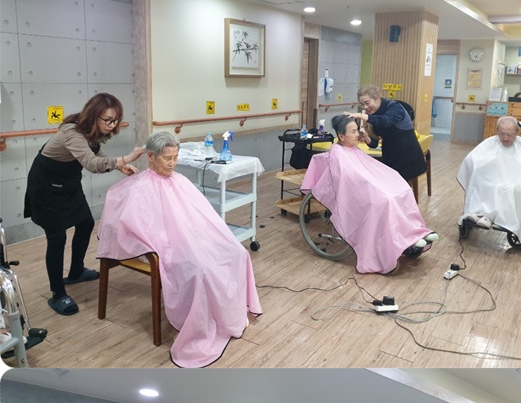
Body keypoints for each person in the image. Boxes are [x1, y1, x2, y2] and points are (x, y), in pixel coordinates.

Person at [96, 131, 261, 367]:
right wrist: (162, 244)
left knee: (237, 252)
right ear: (150, 156)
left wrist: (205, 238)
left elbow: (199, 217)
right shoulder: (138, 188)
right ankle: (201, 325)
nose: (172, 163)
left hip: (189, 238)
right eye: (167, 158)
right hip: (164, 247)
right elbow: (129, 227)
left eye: (175, 157)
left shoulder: (180, 181)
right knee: (200, 270)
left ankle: (228, 315)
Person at [24, 93, 145, 316]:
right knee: (57, 237)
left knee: (86, 222)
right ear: (93, 115)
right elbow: (91, 163)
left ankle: (76, 272)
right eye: (107, 120)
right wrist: (126, 158)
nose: (112, 125)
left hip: (68, 184)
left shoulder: (92, 131)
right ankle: (58, 293)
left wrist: (119, 166)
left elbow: (95, 151)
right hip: (45, 187)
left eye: (116, 120)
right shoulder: (72, 131)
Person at [301, 115, 437, 272]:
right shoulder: (338, 153)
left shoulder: (353, 149)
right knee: (387, 200)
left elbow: (368, 170)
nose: (357, 134)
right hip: (358, 191)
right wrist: (373, 184)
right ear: (341, 136)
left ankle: (412, 235)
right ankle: (399, 243)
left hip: (367, 186)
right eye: (353, 131)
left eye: (357, 130)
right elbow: (349, 177)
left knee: (403, 190)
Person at [456, 116, 521, 250]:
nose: (505, 138)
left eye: (509, 135)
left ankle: (510, 221)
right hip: (490, 178)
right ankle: (479, 214)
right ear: (497, 132)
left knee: (514, 189)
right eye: (502, 134)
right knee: (482, 183)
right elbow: (471, 159)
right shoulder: (489, 144)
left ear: (517, 132)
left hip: (515, 180)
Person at [357, 84, 428, 187]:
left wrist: (361, 115)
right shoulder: (371, 115)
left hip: (406, 155)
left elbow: (385, 121)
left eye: (367, 103)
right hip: (390, 155)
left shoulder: (394, 107)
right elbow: (374, 143)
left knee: (402, 189)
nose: (365, 107)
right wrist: (366, 138)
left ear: (377, 98)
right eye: (362, 105)